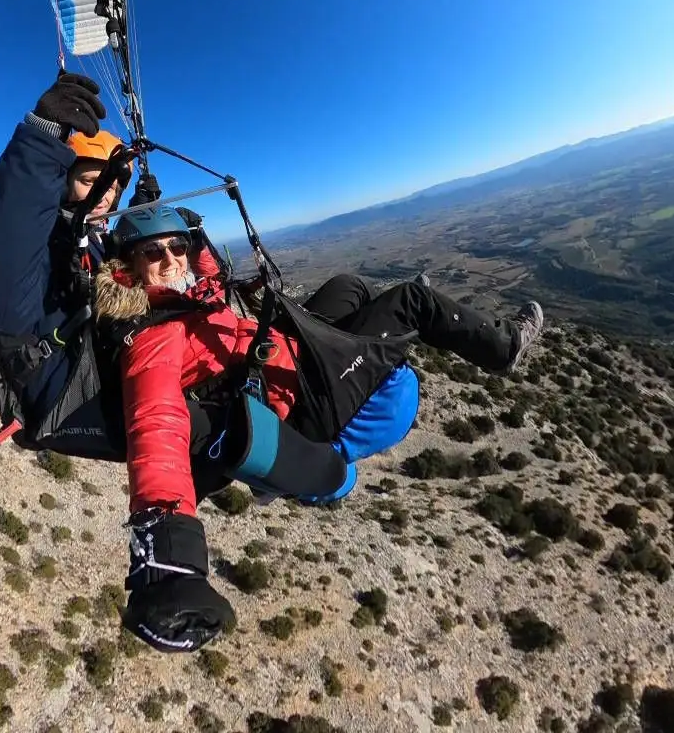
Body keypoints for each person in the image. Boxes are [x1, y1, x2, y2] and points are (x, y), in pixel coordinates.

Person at [96, 205, 546, 652]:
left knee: (347, 288)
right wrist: (171, 564)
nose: (172, 259)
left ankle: (383, 326)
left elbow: (204, 274)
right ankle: (501, 346)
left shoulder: (184, 292)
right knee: (413, 301)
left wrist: (193, 232)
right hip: (298, 405)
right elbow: (155, 424)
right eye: (153, 252)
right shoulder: (154, 335)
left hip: (285, 361)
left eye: (177, 248)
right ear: (128, 267)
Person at [0, 72, 134, 450]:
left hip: (97, 369)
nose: (104, 198)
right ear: (64, 182)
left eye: (113, 190)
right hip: (60, 396)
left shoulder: (92, 239)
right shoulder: (45, 238)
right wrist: (41, 141)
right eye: (91, 183)